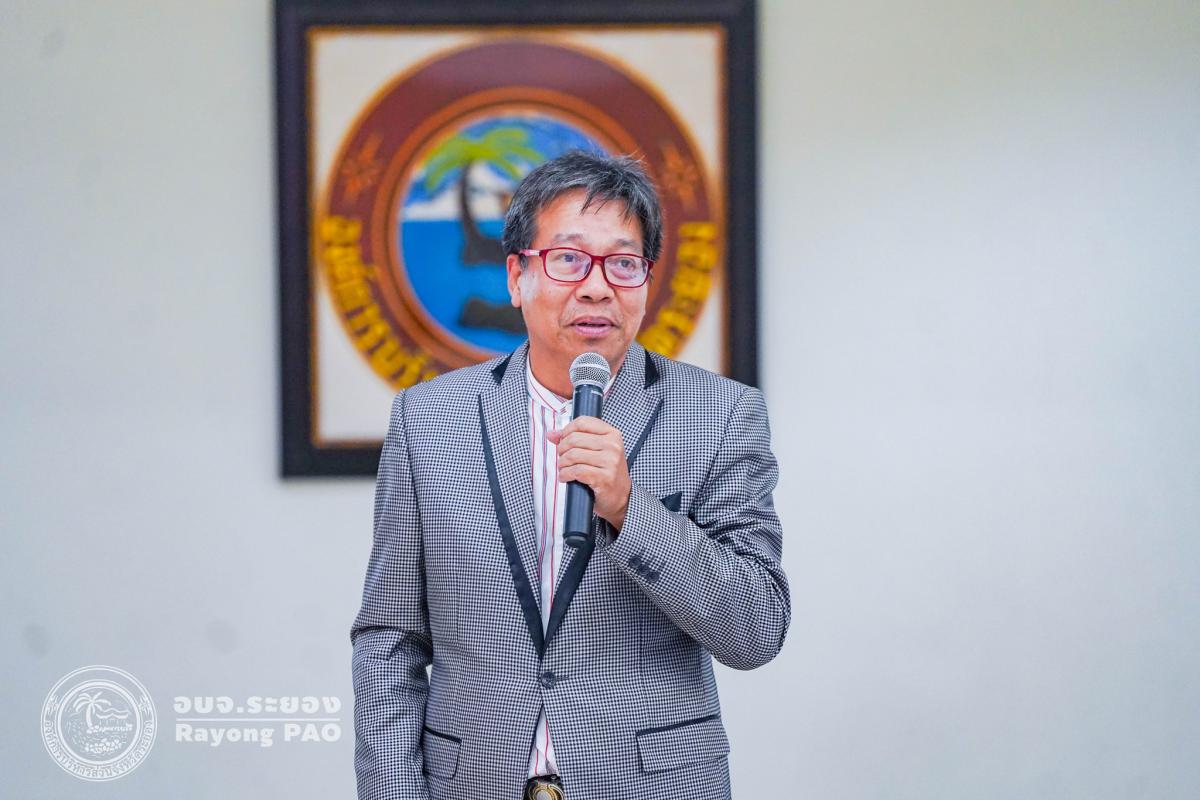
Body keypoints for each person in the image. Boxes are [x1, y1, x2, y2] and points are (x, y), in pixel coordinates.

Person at [350, 150, 790, 800]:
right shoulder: (430, 419)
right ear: (516, 276)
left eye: (623, 263)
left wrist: (631, 510)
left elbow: (756, 629)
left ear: (647, 280)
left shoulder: (720, 415)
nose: (596, 287)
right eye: (568, 259)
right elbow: (391, 637)